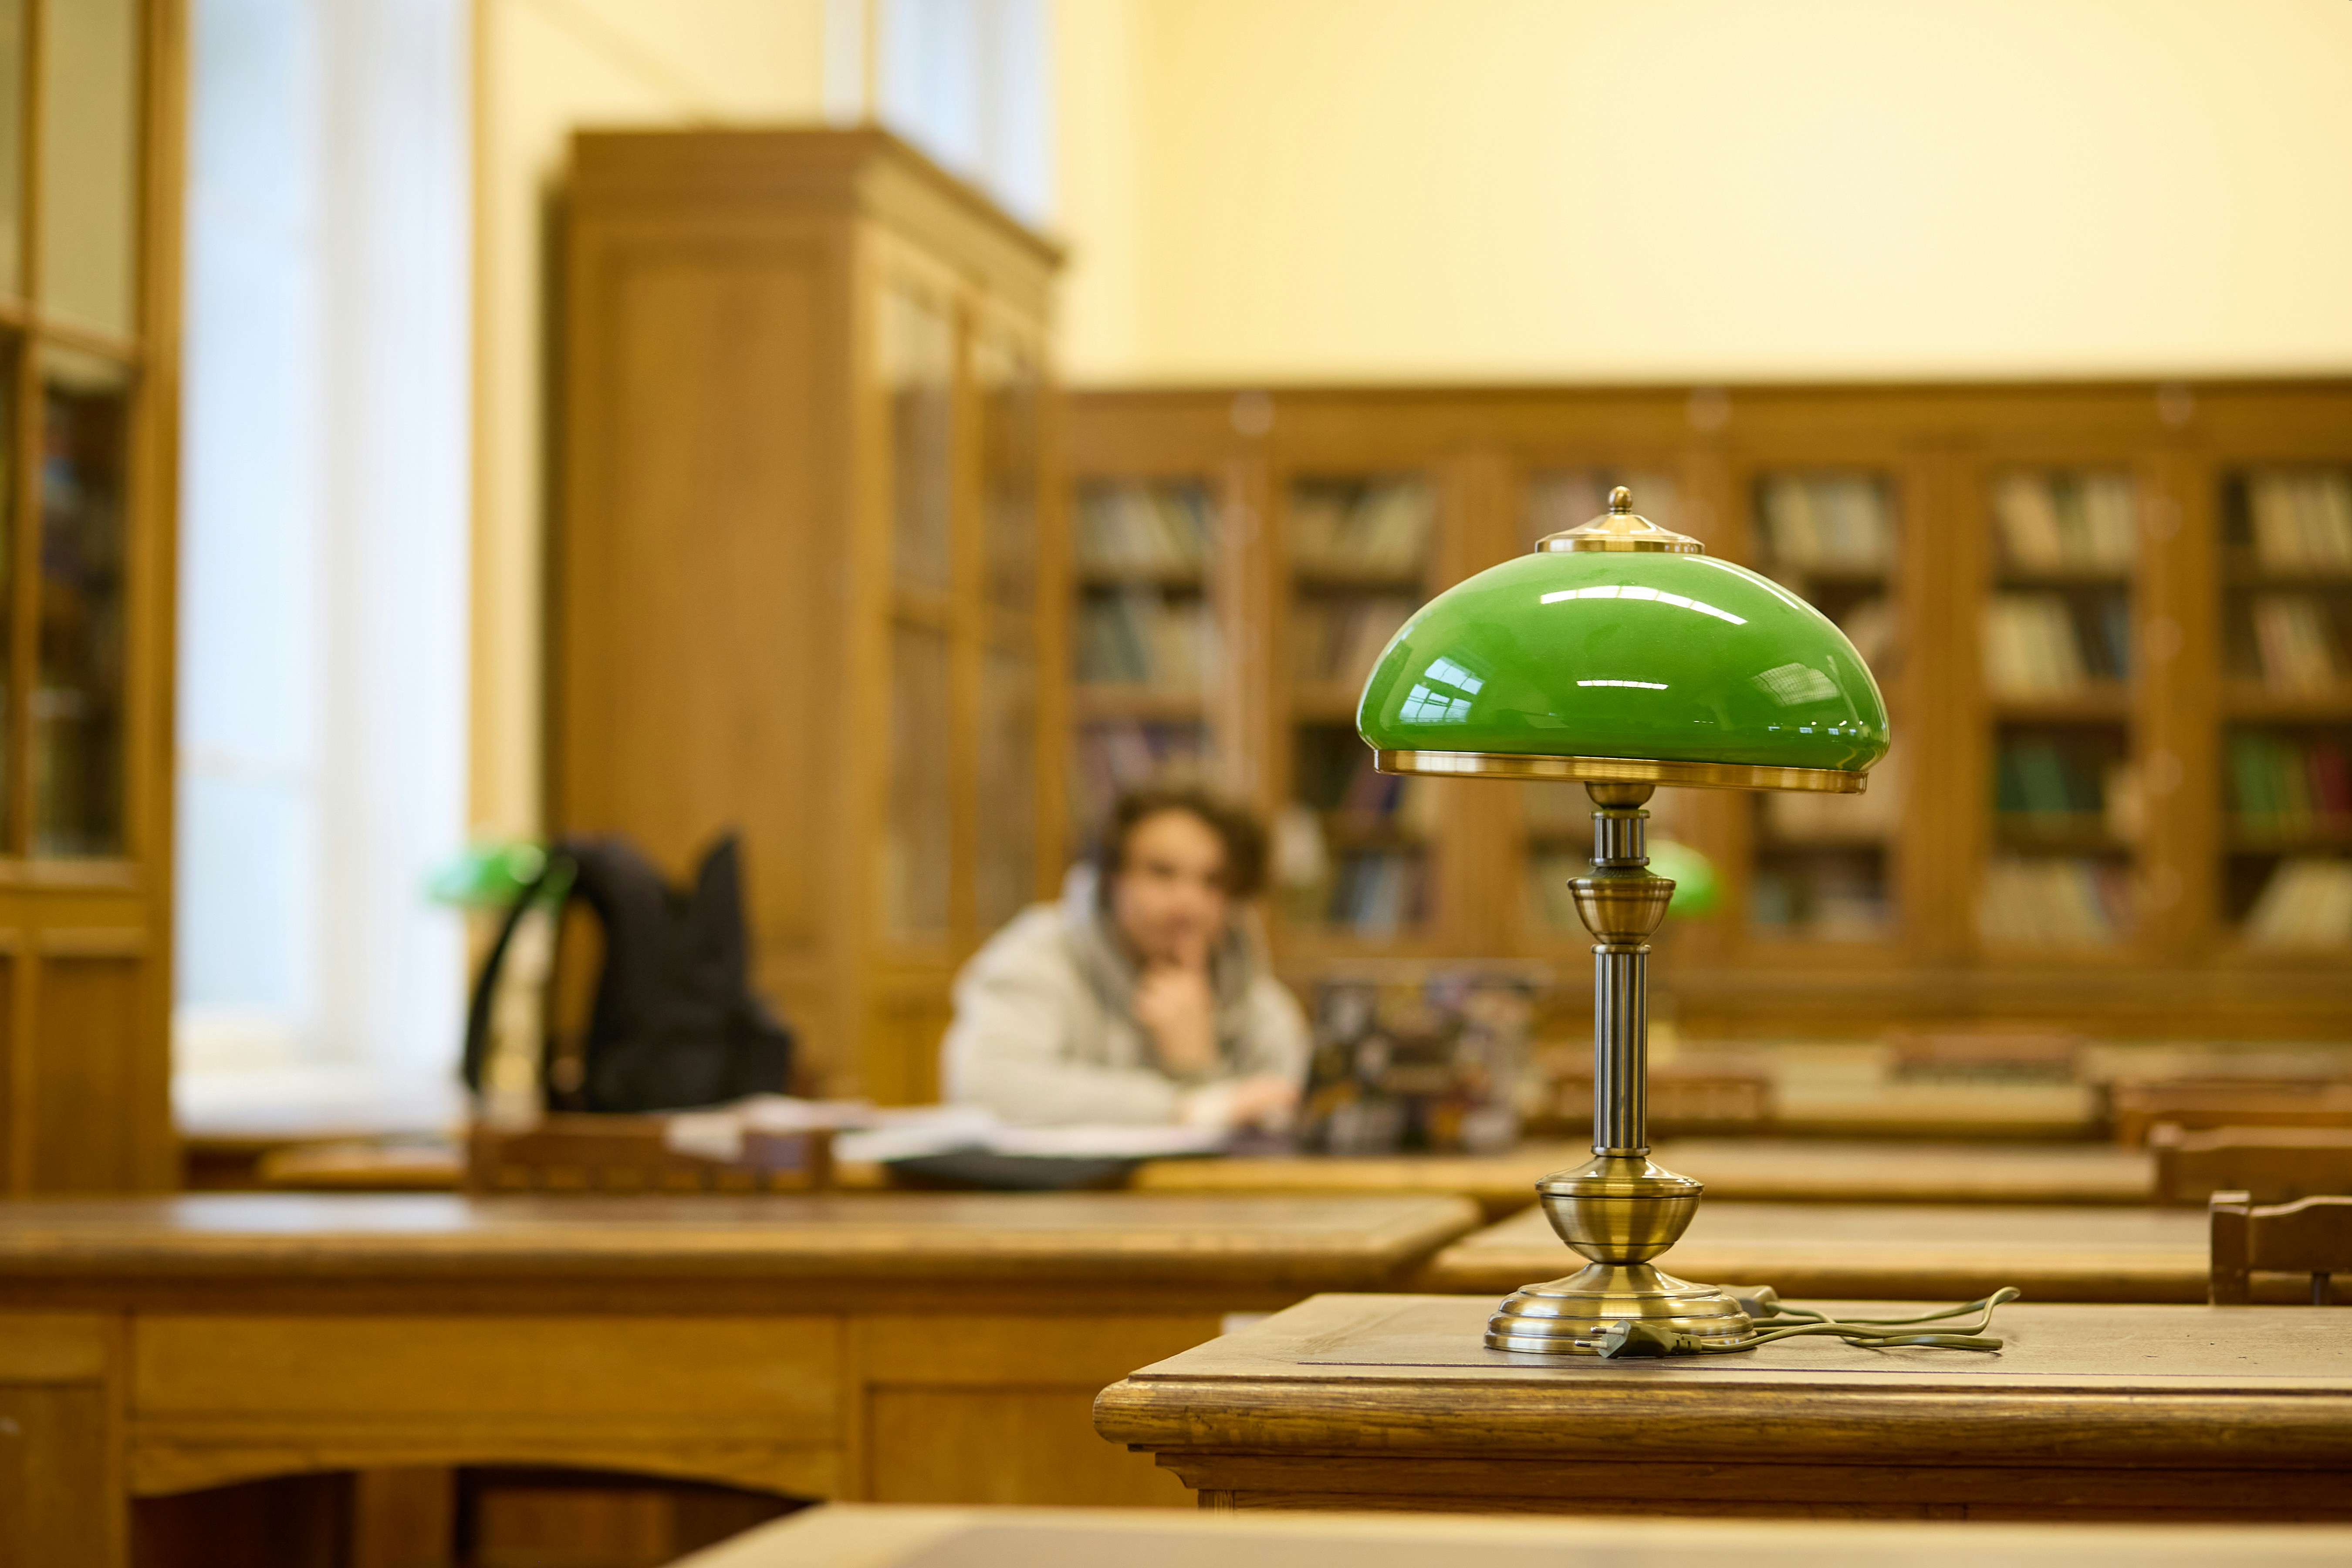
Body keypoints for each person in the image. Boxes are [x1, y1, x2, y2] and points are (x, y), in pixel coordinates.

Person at [942, 785, 1308, 1129]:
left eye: (1212, 882)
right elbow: (987, 1086)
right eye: (1162, 873)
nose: (1188, 903)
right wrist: (1187, 1107)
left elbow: (1279, 1127)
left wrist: (1197, 1068)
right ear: (1111, 879)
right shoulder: (1036, 959)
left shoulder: (1264, 1010)